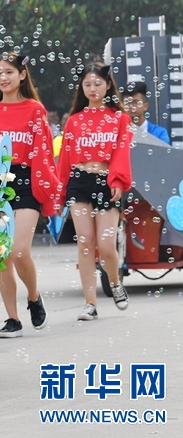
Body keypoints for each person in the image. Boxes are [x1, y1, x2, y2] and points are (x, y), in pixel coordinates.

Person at [0, 53, 60, 338]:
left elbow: (44, 151)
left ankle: (34, 297)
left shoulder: (35, 109)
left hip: (26, 180)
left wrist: (46, 187)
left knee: (19, 250)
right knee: (1, 255)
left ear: (22, 75)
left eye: (9, 72)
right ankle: (12, 318)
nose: (3, 78)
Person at [57, 63, 131, 321]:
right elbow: (65, 159)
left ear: (108, 84)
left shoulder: (120, 118)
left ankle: (114, 282)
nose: (92, 88)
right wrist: (59, 193)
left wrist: (118, 180)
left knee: (106, 246)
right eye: (87, 84)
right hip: (79, 181)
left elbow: (122, 153)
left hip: (106, 181)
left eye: (97, 83)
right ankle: (90, 303)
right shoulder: (75, 120)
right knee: (85, 242)